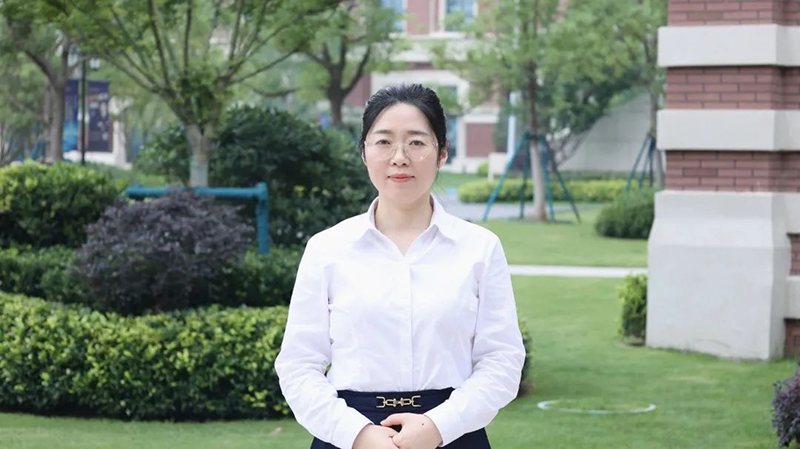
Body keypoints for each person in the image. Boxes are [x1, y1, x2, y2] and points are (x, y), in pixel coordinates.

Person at [274, 84, 525, 449]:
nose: (399, 157)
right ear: (364, 152)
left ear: (442, 153)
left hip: (452, 432)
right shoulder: (327, 249)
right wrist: (359, 434)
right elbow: (298, 365)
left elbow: (502, 360)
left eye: (416, 142)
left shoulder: (480, 249)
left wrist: (437, 426)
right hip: (350, 435)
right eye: (384, 142)